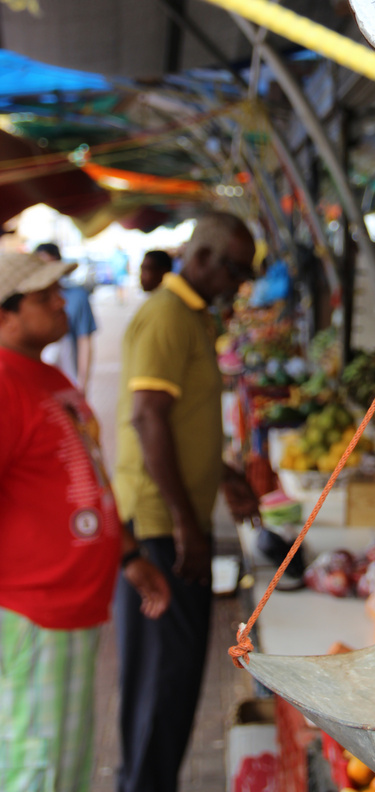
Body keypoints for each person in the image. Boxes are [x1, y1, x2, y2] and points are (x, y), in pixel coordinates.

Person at [0, 252, 171, 792]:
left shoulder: (45, 375)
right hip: (34, 610)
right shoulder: (4, 382)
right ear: (5, 314)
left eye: (59, 290)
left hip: (71, 605)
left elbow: (85, 475)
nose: (61, 302)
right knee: (39, 765)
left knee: (63, 761)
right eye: (43, 295)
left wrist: (126, 555)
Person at [113, 211, 260, 792]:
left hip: (177, 518)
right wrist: (185, 525)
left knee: (172, 686)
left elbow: (182, 420)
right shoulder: (166, 317)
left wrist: (221, 472)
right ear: (203, 259)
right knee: (161, 685)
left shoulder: (192, 315)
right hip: (159, 528)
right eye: (236, 272)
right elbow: (148, 417)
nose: (239, 285)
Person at [35, 241, 97, 395]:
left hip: (68, 383)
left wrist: (82, 383)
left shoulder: (77, 297)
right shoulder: (30, 304)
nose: (59, 303)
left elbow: (85, 342)